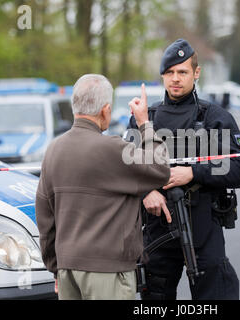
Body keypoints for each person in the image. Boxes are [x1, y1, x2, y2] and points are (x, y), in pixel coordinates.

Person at [127, 39, 240, 300]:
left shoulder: (215, 117)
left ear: (196, 73)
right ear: (162, 76)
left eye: (182, 72)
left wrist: (194, 173)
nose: (175, 79)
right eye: (169, 73)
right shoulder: (144, 117)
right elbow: (125, 171)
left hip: (204, 226)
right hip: (158, 227)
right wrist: (146, 191)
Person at [35, 74, 170, 300]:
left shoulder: (53, 150)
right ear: (106, 110)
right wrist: (145, 123)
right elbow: (159, 168)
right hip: (109, 270)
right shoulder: (113, 149)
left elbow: (45, 217)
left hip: (68, 269)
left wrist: (56, 266)